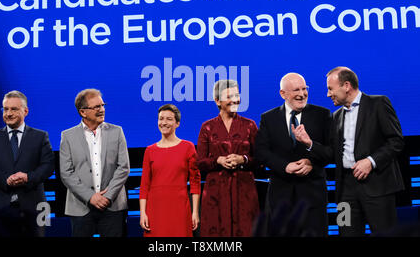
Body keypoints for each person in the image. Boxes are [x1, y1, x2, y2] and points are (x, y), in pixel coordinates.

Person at [295, 67, 405, 236]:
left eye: (330, 89)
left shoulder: (378, 104)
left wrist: (371, 161)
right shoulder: (336, 116)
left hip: (377, 187)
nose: (327, 94)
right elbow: (332, 153)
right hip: (345, 191)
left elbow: (396, 141)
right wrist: (310, 143)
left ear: (346, 85)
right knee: (346, 232)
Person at [254, 73, 330, 236]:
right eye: (296, 90)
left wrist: (311, 158)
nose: (302, 94)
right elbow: (261, 152)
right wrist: (285, 166)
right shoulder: (268, 118)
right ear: (283, 94)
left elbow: (332, 151)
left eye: (304, 89)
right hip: (281, 196)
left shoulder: (322, 115)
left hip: (313, 196)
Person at [59, 88, 130, 237]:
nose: (102, 109)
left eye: (103, 105)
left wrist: (107, 196)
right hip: (80, 208)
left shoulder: (117, 131)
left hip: (113, 206)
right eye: (96, 107)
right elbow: (66, 173)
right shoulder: (67, 136)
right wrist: (91, 197)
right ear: (83, 112)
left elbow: (123, 167)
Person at [0, 91, 54, 220]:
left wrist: (28, 177)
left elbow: (48, 165)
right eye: (5, 109)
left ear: (25, 111)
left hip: (34, 202)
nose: (8, 114)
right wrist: (5, 179)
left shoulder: (40, 136)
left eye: (13, 109)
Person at [196, 79, 259, 237]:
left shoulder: (250, 125)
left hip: (244, 191)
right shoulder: (207, 127)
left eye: (237, 95)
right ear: (217, 100)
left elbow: (260, 160)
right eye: (229, 96)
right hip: (215, 193)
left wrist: (243, 159)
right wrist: (217, 161)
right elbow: (200, 162)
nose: (235, 100)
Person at [139, 104, 201, 237]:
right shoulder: (150, 150)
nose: (164, 122)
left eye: (169, 119)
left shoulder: (188, 147)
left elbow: (195, 183)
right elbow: (144, 185)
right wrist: (143, 212)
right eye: (161, 119)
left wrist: (195, 212)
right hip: (155, 210)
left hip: (180, 209)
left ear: (177, 123)